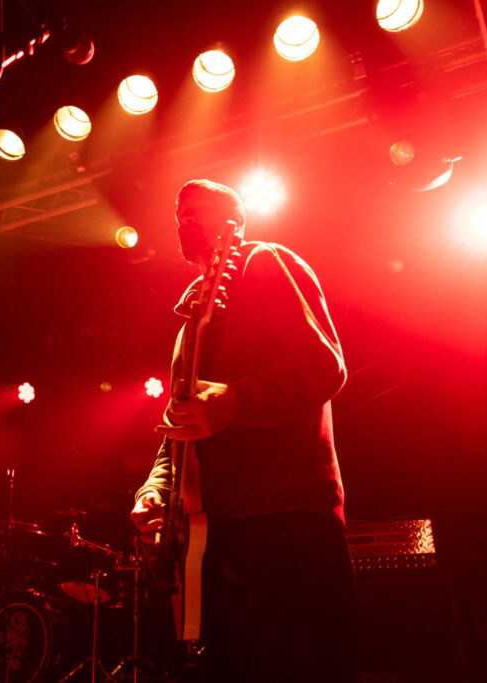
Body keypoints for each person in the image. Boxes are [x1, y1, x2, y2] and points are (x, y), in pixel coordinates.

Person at [130, 179, 355, 681]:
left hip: (289, 519)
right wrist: (156, 490)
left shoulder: (266, 262)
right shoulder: (190, 321)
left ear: (236, 220)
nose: (185, 217)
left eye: (199, 208)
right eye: (178, 211)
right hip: (216, 537)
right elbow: (178, 431)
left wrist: (237, 400)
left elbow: (325, 366)